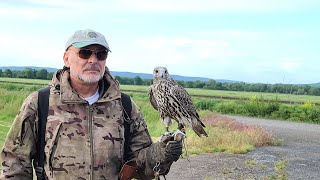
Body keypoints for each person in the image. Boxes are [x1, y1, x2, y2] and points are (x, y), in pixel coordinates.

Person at [0, 29, 182, 180]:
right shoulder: (40, 102)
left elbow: (142, 165)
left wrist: (160, 153)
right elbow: (14, 163)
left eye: (101, 54)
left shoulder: (125, 106)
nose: (93, 60)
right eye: (84, 52)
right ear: (66, 58)